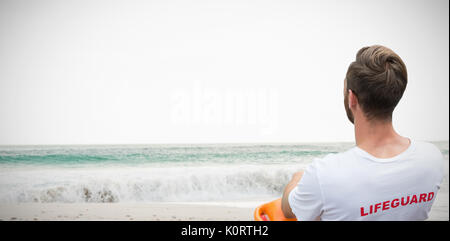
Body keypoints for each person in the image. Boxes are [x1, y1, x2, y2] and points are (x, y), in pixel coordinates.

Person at [281, 45, 445, 221]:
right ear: (396, 94)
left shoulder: (325, 175)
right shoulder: (431, 158)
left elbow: (289, 210)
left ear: (352, 98)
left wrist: (296, 179)